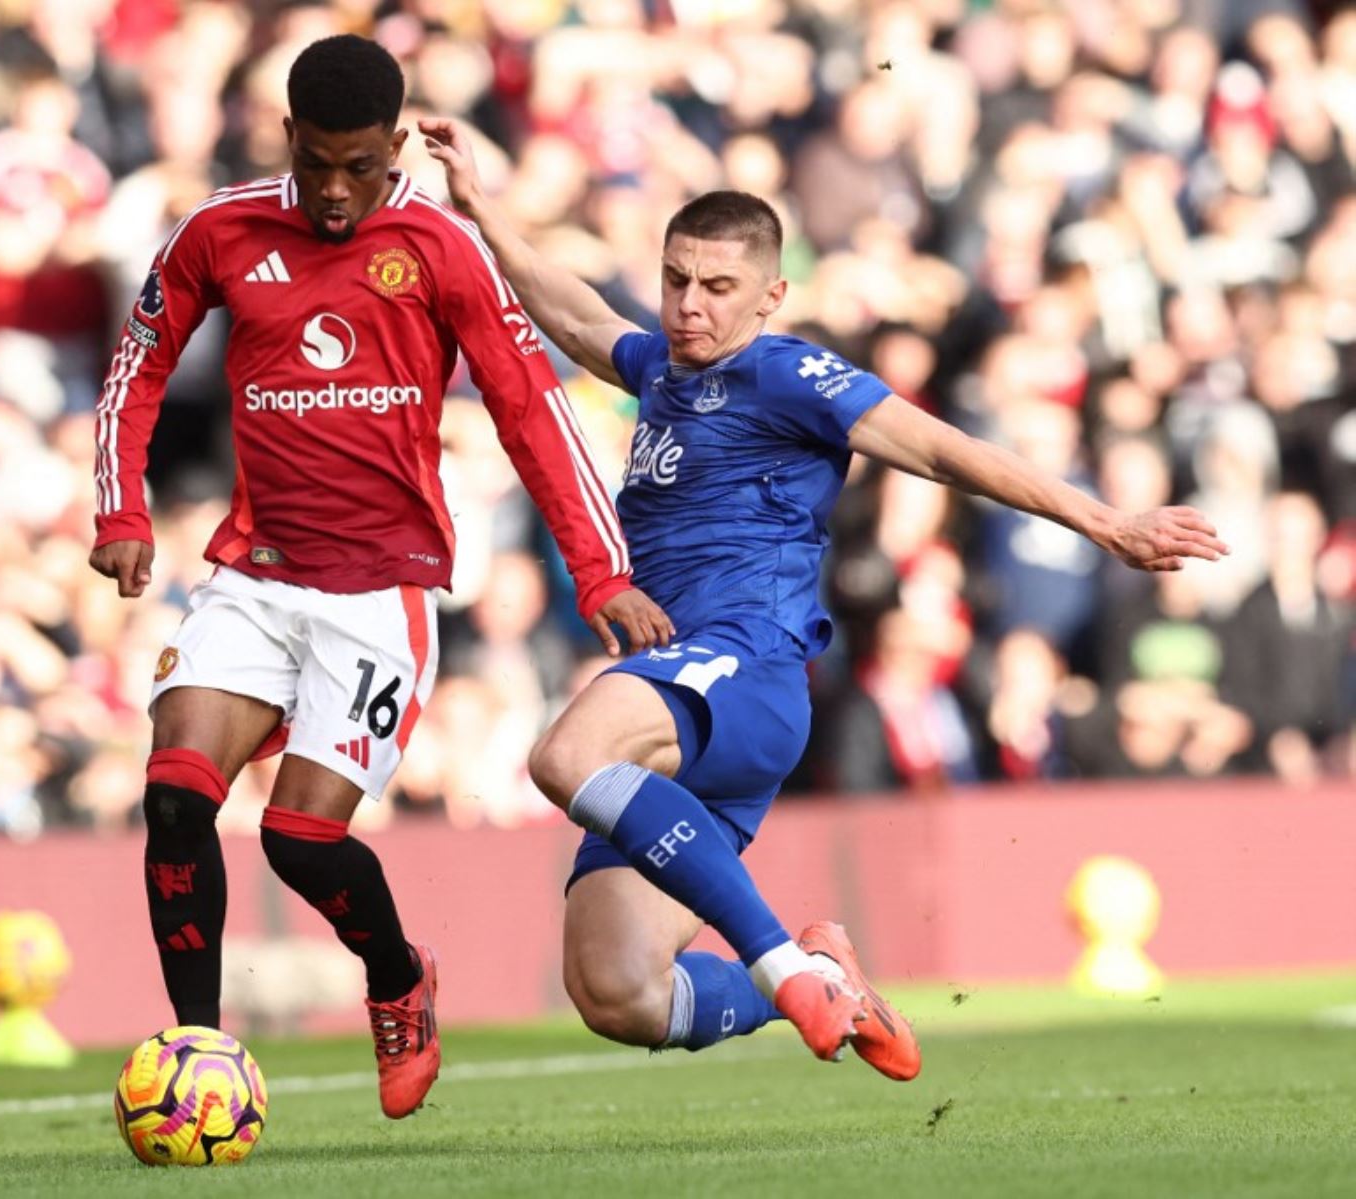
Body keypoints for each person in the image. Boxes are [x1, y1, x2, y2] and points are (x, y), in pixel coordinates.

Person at [422, 118, 1227, 1078]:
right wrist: (481, 210)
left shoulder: (788, 372)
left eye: (718, 288)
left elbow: (940, 448)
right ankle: (807, 975)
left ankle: (787, 967)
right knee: (619, 992)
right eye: (677, 279)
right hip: (674, 698)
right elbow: (579, 316)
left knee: (564, 754)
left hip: (744, 664)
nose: (689, 306)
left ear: (772, 295)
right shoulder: (658, 371)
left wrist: (1103, 521)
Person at [89, 36, 669, 1120]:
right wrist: (122, 507)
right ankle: (197, 1057)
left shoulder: (441, 247)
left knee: (300, 838)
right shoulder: (219, 229)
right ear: (288, 142)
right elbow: (136, 367)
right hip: (254, 578)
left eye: (361, 165)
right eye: (319, 166)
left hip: (379, 594)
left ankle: (400, 977)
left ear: (397, 144)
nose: (340, 192)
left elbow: (531, 412)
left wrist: (600, 576)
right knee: (174, 798)